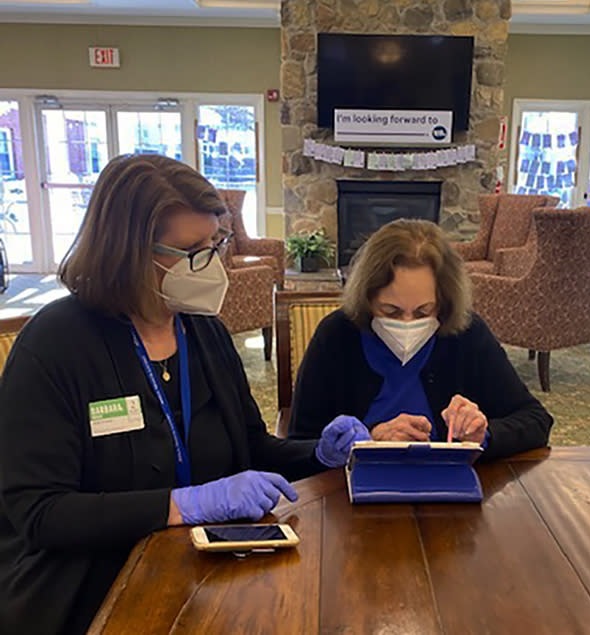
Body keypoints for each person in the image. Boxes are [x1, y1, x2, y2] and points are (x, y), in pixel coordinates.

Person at [0, 154, 369, 635]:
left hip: (207, 572)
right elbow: (40, 514)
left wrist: (319, 453)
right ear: (130, 251)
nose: (213, 264)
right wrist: (182, 505)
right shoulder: (55, 345)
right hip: (91, 588)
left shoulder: (202, 331)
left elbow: (251, 449)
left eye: (215, 244)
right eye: (193, 250)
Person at [288, 219, 553, 459]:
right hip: (349, 494)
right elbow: (299, 443)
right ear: (367, 299)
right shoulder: (336, 335)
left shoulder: (466, 333)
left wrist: (482, 435)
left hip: (448, 491)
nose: (407, 323)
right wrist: (367, 441)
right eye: (390, 311)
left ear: (444, 303)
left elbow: (536, 420)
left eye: (424, 311)